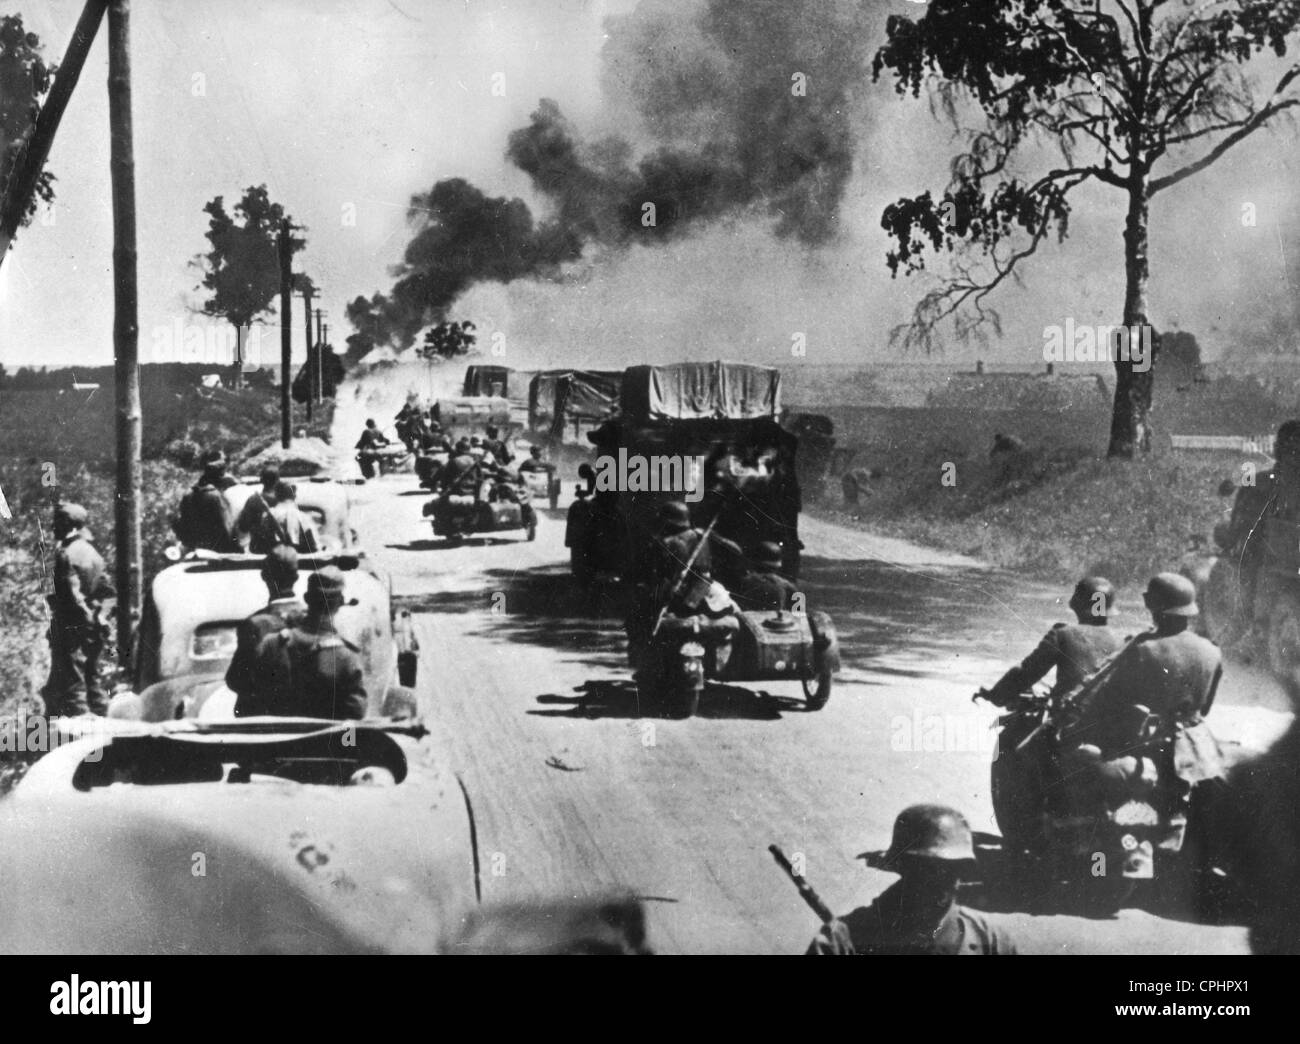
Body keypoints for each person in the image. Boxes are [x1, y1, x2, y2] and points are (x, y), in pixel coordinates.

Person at [1059, 573, 1225, 814]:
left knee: (1073, 758)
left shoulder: (1144, 649)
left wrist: (1075, 729)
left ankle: (1078, 826)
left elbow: (1105, 703)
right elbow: (1205, 708)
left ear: (1152, 605)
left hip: (1148, 746)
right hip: (1195, 746)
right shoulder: (1212, 650)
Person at [807, 805, 1018, 955]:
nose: (937, 881)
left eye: (950, 870)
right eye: (926, 869)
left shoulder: (990, 940)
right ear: (903, 867)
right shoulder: (844, 940)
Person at [982, 576, 1124, 706]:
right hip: (1109, 718)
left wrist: (995, 695)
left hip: (1069, 718)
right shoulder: (1123, 641)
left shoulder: (1062, 634)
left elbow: (1026, 673)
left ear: (1076, 605)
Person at [249, 566, 366, 720]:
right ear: (341, 602)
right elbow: (354, 717)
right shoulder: (346, 658)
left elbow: (252, 697)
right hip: (325, 736)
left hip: (279, 736)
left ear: (306, 598)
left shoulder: (272, 644)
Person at [42, 503, 116, 717]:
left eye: (58, 522)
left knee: (73, 687)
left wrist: (86, 621)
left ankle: (80, 729)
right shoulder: (93, 553)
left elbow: (73, 597)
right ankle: (109, 727)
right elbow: (108, 592)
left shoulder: (67, 554)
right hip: (92, 629)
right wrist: (101, 618)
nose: (53, 527)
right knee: (93, 684)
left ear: (69, 524)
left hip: (73, 630)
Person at [229, 547, 307, 716]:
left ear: (264, 576)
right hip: (306, 717)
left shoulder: (253, 625)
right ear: (296, 577)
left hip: (266, 719)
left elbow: (235, 679)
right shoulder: (312, 619)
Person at [174, 449, 239, 552]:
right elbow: (227, 529)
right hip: (218, 550)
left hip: (195, 548)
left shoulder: (189, 494)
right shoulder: (216, 496)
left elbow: (183, 527)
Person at [253, 480, 318, 554]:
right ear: (294, 496)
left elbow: (257, 547)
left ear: (276, 496)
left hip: (273, 558)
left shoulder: (267, 516)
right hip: (299, 559)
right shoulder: (304, 517)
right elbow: (315, 547)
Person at [731, 541, 799, 612]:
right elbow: (800, 615)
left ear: (752, 563)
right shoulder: (790, 587)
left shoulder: (743, 583)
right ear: (778, 566)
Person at [235, 467, 280, 550]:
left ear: (261, 480)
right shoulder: (283, 499)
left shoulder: (253, 500)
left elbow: (243, 526)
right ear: (278, 480)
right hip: (279, 547)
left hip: (258, 546)